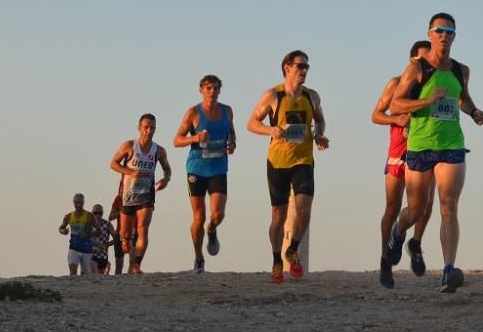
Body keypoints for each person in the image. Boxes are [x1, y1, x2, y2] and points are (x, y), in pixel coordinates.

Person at [384, 13, 483, 293]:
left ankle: (448, 270)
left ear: (455, 36)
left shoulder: (460, 70)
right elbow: (397, 103)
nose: (444, 35)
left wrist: (475, 112)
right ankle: (398, 232)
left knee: (448, 205)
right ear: (430, 34)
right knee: (416, 210)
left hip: (451, 145)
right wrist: (427, 100)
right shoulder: (417, 69)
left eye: (449, 31)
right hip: (420, 146)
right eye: (439, 30)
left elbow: (463, 99)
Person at [247, 50, 329, 284]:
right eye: (300, 66)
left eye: (307, 67)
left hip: (303, 161)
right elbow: (251, 123)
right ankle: (276, 258)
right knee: (278, 216)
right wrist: (269, 130)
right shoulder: (273, 95)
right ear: (287, 68)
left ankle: (292, 250)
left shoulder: (312, 96)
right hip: (278, 162)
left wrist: (319, 136)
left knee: (304, 211)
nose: (304, 71)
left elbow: (320, 120)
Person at [371, 40, 435, 289]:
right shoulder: (397, 83)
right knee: (393, 206)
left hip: (425, 149)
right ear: (412, 61)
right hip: (399, 150)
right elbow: (375, 114)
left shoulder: (436, 82)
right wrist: (396, 118)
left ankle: (416, 243)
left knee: (425, 203)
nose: (426, 65)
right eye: (422, 60)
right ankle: (385, 258)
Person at [173, 75, 237, 273]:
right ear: (201, 90)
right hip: (197, 169)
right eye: (208, 88)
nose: (212, 91)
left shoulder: (227, 111)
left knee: (218, 213)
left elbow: (231, 132)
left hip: (218, 167)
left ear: (220, 90)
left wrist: (232, 143)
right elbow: (176, 140)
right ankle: (198, 256)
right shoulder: (193, 112)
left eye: (215, 88)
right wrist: (195, 138)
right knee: (198, 217)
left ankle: (212, 229)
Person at [110, 114, 172, 274]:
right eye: (146, 127)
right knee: (125, 234)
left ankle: (137, 264)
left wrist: (166, 179)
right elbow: (113, 164)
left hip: (146, 194)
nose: (149, 131)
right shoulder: (129, 146)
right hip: (127, 195)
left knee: (143, 227)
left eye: (152, 128)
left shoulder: (159, 151)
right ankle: (125, 240)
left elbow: (167, 169)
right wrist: (130, 172)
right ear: (139, 128)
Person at [58, 193, 97, 276]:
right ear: (73, 203)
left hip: (87, 250)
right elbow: (61, 228)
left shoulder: (90, 216)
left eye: (80, 203)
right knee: (73, 273)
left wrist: (87, 234)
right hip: (74, 249)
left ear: (83, 203)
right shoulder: (68, 216)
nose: (78, 205)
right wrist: (63, 231)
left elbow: (99, 231)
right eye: (76, 203)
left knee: (85, 274)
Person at [107, 190, 125, 275]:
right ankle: (118, 281)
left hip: (133, 232)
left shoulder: (138, 198)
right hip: (120, 233)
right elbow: (110, 217)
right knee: (119, 264)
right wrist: (121, 212)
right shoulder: (119, 199)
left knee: (134, 261)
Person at [91, 204, 112, 275]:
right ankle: (107, 268)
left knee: (102, 278)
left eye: (100, 213)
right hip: (92, 255)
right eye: (95, 213)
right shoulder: (88, 225)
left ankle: (106, 269)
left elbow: (117, 237)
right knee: (94, 274)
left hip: (103, 255)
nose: (98, 215)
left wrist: (108, 244)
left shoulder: (107, 224)